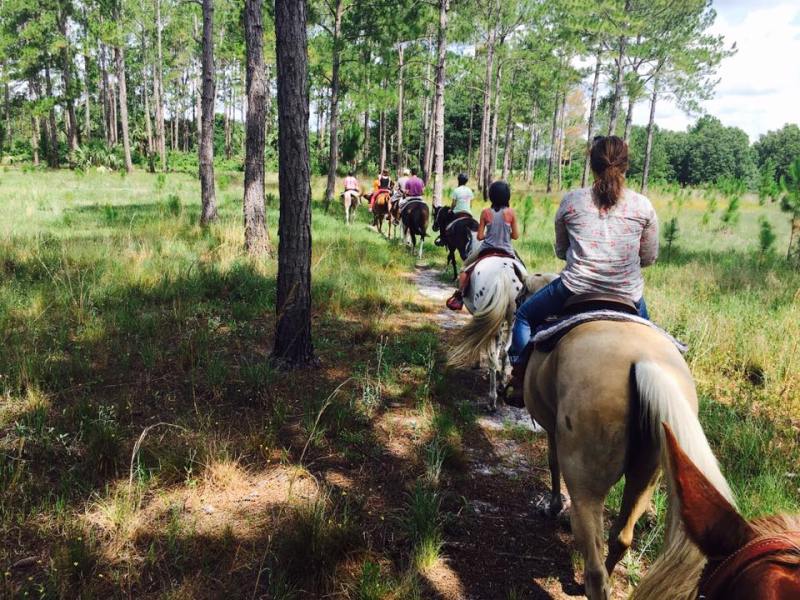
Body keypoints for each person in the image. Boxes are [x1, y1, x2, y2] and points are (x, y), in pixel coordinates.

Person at [506, 135, 659, 403]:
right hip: (628, 295)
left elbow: (561, 251)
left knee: (525, 317)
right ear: (625, 165)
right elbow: (648, 258)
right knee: (656, 346)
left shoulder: (571, 201)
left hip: (574, 289)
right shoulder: (643, 205)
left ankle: (518, 378)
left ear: (592, 165)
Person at [446, 180, 520, 311]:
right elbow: (515, 236)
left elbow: (479, 236)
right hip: (507, 250)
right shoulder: (511, 213)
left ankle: (460, 296)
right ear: (507, 196)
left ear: (491, 196)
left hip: (487, 249)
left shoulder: (485, 212)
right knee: (522, 270)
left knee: (464, 269)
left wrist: (490, 234)